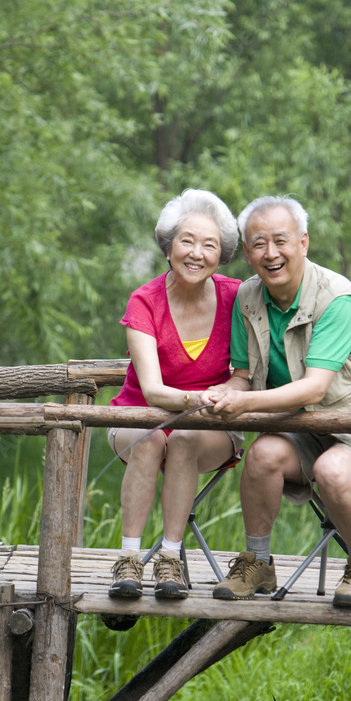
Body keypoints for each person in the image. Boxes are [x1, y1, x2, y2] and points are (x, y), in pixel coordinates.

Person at [201, 195, 351, 608]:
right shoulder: (247, 298)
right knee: (261, 455)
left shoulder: (337, 297)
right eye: (258, 243)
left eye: (280, 240)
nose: (270, 252)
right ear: (246, 252)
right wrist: (227, 393)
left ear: (303, 242)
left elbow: (316, 388)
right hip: (304, 428)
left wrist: (246, 406)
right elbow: (243, 376)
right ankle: (257, 563)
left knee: (332, 470)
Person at [107, 188, 243, 601]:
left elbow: (247, 375)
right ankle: (129, 560)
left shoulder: (238, 297)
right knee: (153, 440)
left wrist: (228, 392)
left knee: (181, 439)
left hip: (210, 426)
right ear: (168, 247)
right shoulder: (144, 300)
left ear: (221, 255)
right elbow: (149, 390)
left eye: (209, 245)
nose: (196, 253)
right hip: (140, 417)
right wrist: (197, 398)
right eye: (187, 241)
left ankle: (171, 559)